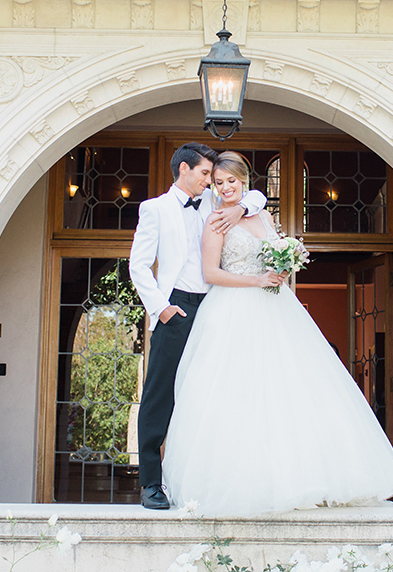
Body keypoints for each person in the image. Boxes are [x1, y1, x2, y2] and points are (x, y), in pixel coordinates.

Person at [162, 152, 393, 517]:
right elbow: (211, 273)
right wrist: (256, 280)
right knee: (235, 393)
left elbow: (273, 245)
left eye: (232, 181)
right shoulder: (214, 222)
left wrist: (282, 263)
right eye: (218, 183)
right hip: (232, 308)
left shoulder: (260, 213)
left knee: (288, 388)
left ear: (244, 182)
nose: (226, 188)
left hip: (275, 307)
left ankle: (302, 479)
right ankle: (241, 484)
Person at [128, 142, 274, 510]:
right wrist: (161, 309)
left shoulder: (213, 201)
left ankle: (205, 479)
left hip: (215, 306)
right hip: (176, 306)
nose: (213, 182)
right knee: (161, 392)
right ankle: (150, 484)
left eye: (214, 176)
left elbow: (253, 195)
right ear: (184, 170)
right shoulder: (155, 209)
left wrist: (241, 206)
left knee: (209, 393)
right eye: (206, 174)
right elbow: (138, 265)